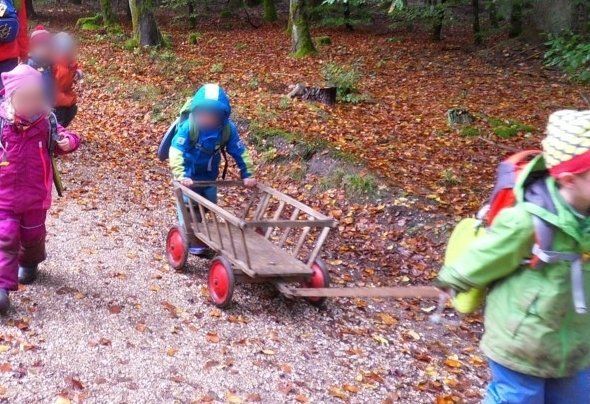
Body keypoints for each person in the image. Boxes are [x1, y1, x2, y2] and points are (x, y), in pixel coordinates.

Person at [438, 109, 590, 403]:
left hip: (575, 344)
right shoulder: (526, 220)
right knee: (518, 398)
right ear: (570, 179)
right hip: (521, 341)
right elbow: (486, 254)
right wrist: (453, 279)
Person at [0, 64, 80, 313]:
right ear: (11, 98)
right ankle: (2, 288)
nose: (31, 103)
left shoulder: (47, 122)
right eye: (25, 98)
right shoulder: (2, 124)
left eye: (35, 97)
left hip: (36, 195)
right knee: (5, 236)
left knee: (33, 235)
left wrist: (69, 142)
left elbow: (65, 138)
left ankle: (30, 261)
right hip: (4, 196)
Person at [169, 83, 256, 254]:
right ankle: (189, 235)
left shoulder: (227, 130)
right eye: (203, 113)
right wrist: (181, 174)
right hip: (188, 175)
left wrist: (247, 174)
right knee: (188, 205)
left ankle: (201, 230)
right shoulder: (189, 127)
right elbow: (176, 151)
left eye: (212, 114)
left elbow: (240, 151)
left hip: (209, 175)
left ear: (222, 115)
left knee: (209, 204)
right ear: (196, 112)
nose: (207, 118)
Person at [52, 32, 81, 127]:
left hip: (66, 96)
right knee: (59, 120)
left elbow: (72, 67)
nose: (68, 52)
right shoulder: (53, 63)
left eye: (69, 49)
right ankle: (56, 132)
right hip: (57, 100)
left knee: (72, 110)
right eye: (65, 49)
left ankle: (61, 130)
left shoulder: (68, 62)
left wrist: (77, 71)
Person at [0, 0, 28, 89]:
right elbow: (22, 26)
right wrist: (24, 53)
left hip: (10, 58)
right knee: (8, 92)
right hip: (9, 56)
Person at [27, 25, 55, 106]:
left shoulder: (51, 61)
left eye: (46, 46)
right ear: (33, 48)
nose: (43, 49)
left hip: (49, 95)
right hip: (36, 98)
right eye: (39, 46)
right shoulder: (31, 63)